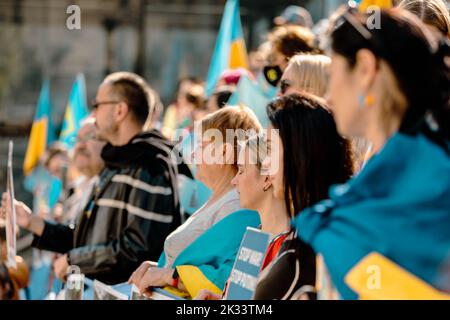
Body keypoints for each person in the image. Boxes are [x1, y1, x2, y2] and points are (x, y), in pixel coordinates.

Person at [292, 8, 450, 299]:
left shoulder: (425, 178)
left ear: (365, 68)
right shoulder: (412, 164)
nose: (327, 96)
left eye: (333, 73)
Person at [2, 72, 191, 285]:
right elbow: (88, 240)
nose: (94, 113)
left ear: (120, 110)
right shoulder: (117, 162)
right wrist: (33, 222)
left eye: (98, 105)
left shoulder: (148, 165)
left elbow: (137, 251)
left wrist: (75, 260)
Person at [196, 93, 355, 300]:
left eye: (270, 149)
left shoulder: (309, 254)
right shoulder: (302, 240)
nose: (267, 168)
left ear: (297, 155)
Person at [128, 105, 263, 299]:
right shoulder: (222, 199)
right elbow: (193, 262)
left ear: (224, 152)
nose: (193, 155)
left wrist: (168, 275)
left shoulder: (237, 205)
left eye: (201, 146)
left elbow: (228, 278)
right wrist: (157, 268)